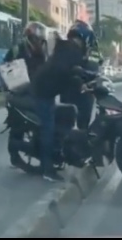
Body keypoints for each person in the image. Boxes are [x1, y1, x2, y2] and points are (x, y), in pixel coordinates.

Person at [32, 34, 90, 182]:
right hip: (42, 96)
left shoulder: (64, 54)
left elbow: (75, 71)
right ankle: (47, 168)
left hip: (48, 94)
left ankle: (60, 153)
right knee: (48, 130)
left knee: (67, 114)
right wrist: (79, 84)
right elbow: (68, 75)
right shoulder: (63, 61)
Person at [4, 22, 48, 169]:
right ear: (29, 38)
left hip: (35, 92)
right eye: (37, 40)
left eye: (41, 40)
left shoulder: (42, 53)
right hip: (17, 92)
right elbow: (5, 69)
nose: (39, 43)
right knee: (17, 122)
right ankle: (14, 155)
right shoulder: (17, 51)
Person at [60, 21, 101, 130]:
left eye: (77, 40)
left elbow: (93, 71)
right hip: (67, 89)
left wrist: (80, 77)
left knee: (83, 124)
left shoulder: (93, 53)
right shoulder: (65, 50)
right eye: (71, 39)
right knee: (64, 122)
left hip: (85, 91)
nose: (73, 43)